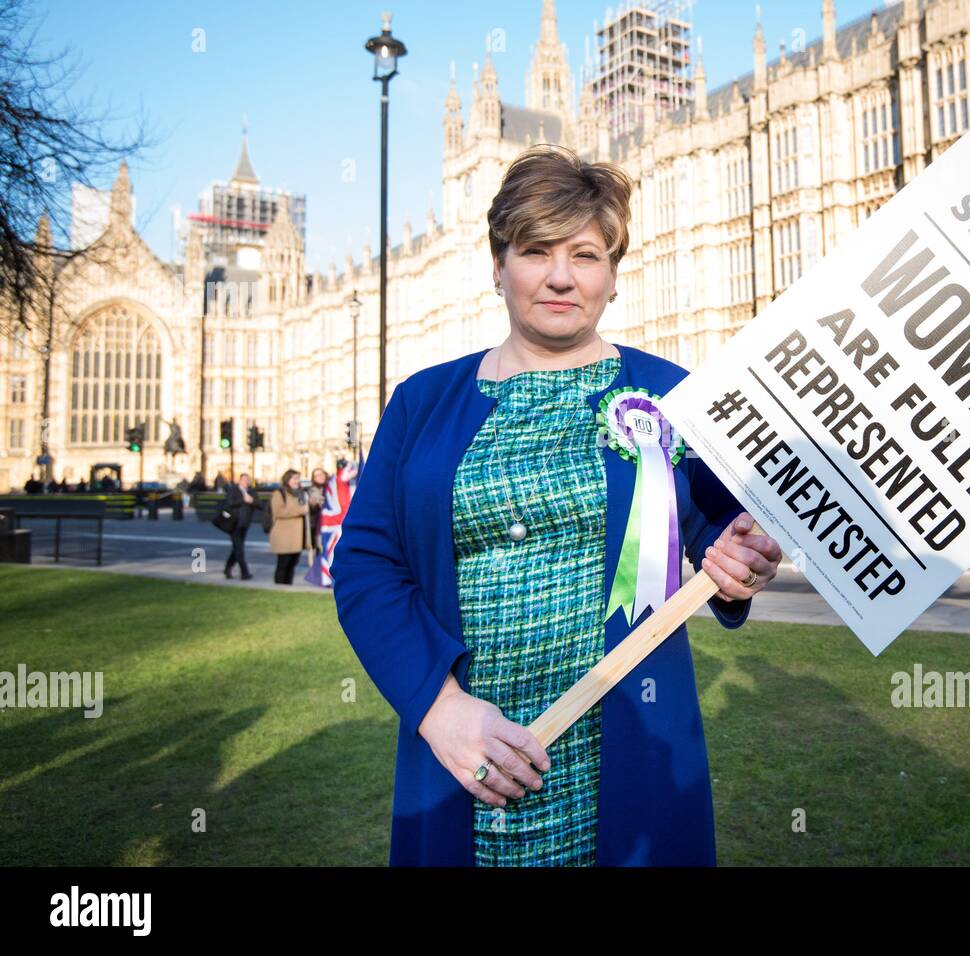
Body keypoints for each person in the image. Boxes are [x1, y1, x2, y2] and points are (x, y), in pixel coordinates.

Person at [331, 144, 782, 868]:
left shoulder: (676, 396)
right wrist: (440, 710)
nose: (562, 276)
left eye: (587, 255)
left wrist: (744, 561)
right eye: (536, 251)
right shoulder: (423, 400)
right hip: (465, 752)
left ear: (613, 276)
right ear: (498, 265)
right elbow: (366, 566)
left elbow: (721, 542)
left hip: (631, 746)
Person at [269, 469, 310, 585]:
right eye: (294, 478)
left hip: (296, 537)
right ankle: (279, 588)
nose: (297, 481)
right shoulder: (279, 493)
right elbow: (279, 512)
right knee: (283, 564)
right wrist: (301, 510)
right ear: (287, 479)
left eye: (298, 478)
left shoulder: (301, 493)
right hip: (284, 536)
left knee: (292, 564)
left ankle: (288, 587)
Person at [222, 473, 258, 580]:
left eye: (248, 480)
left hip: (244, 525)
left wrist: (252, 501)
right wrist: (243, 500)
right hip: (233, 524)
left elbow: (260, 504)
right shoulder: (233, 490)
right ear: (240, 481)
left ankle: (228, 567)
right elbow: (229, 503)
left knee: (236, 549)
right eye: (244, 480)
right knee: (239, 549)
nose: (246, 482)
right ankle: (244, 572)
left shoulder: (251, 492)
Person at [307, 467, 330, 552]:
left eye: (321, 474)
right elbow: (319, 501)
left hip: (334, 524)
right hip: (319, 525)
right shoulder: (312, 490)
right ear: (313, 478)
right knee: (321, 551)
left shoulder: (332, 486)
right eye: (316, 475)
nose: (319, 476)